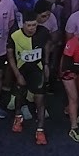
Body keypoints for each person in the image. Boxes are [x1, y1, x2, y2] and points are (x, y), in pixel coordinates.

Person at [7, 10, 51, 145]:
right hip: (22, 70)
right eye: (29, 25)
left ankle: (40, 130)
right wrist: (17, 74)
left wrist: (47, 64)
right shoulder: (15, 35)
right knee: (20, 96)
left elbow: (47, 45)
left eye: (34, 25)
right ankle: (18, 117)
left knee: (40, 99)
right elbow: (10, 55)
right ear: (23, 24)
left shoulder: (43, 32)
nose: (32, 28)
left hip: (37, 70)